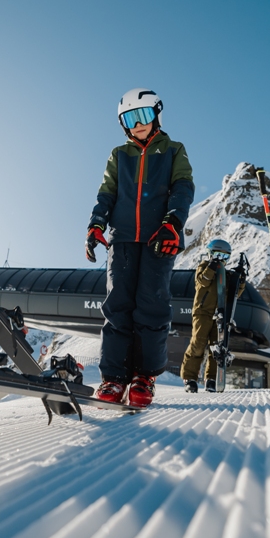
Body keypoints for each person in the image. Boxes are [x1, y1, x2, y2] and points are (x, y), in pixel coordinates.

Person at [85, 88, 194, 408]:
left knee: (151, 303)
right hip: (121, 239)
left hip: (160, 237)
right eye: (129, 119)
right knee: (117, 305)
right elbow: (106, 193)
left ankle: (143, 377)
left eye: (143, 115)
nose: (138, 124)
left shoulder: (173, 150)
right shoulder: (119, 155)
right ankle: (114, 378)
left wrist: (173, 222)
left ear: (157, 115)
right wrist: (96, 224)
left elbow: (183, 187)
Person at [180, 239, 247, 393]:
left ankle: (211, 379)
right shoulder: (203, 267)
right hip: (202, 312)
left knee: (216, 348)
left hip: (220, 315)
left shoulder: (226, 275)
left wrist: (239, 279)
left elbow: (235, 294)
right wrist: (212, 266)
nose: (220, 260)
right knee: (198, 343)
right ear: (210, 254)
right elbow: (202, 281)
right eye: (217, 255)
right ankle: (190, 378)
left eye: (224, 257)